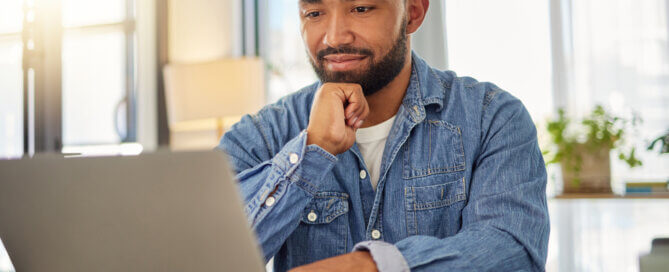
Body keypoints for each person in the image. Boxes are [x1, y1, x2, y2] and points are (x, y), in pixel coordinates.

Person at [218, 0, 550, 271]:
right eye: (314, 13)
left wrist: (368, 268)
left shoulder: (492, 117)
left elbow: (513, 250)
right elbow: (212, 256)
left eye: (361, 8)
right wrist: (311, 150)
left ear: (414, 12)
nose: (335, 37)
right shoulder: (260, 135)